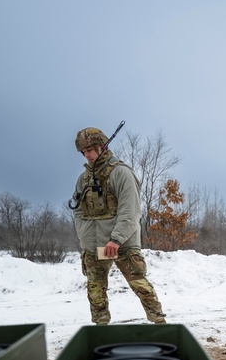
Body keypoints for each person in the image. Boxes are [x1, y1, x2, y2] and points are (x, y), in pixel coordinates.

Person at [71, 127, 166, 325]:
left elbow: (130, 211)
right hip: (93, 245)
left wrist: (116, 239)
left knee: (141, 287)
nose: (87, 155)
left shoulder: (121, 173)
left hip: (122, 244)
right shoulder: (83, 179)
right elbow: (78, 210)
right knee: (95, 292)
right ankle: (101, 331)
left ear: (102, 147)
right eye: (84, 151)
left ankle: (160, 325)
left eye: (90, 149)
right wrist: (84, 235)